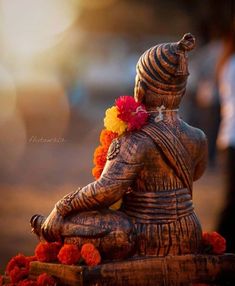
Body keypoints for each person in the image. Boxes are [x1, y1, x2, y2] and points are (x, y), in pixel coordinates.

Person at [37, 33, 208, 257]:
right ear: (183, 91)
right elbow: (196, 175)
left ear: (141, 88)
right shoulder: (198, 137)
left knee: (84, 220)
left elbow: (105, 191)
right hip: (189, 233)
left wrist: (62, 207)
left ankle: (52, 228)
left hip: (145, 236)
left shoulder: (135, 140)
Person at [216, 27, 235, 253]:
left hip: (229, 136)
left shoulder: (228, 61)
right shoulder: (232, 64)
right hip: (232, 137)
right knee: (232, 202)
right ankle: (218, 249)